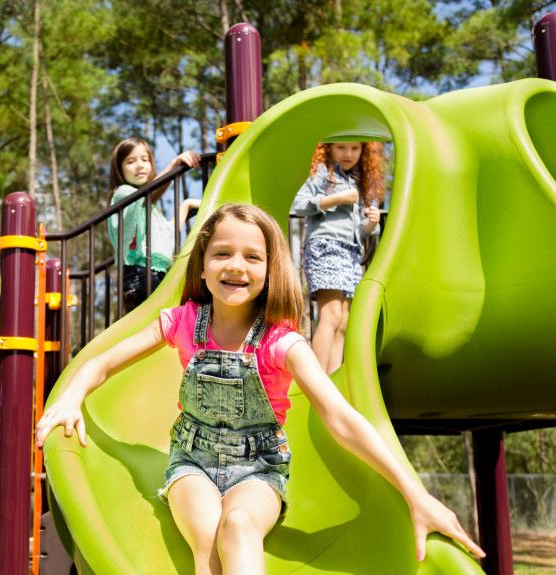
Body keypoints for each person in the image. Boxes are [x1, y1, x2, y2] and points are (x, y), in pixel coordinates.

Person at [36, 204, 483, 574]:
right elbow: (102, 361)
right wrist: (72, 397)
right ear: (203, 265)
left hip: (259, 468)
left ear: (271, 271)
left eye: (253, 257)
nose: (236, 266)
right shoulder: (184, 322)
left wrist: (415, 494)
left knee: (241, 525)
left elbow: (341, 418)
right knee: (208, 534)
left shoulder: (281, 342)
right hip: (191, 460)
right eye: (222, 253)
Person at [291, 141, 384, 374]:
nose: (348, 154)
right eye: (341, 148)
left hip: (351, 252)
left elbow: (359, 231)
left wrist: (371, 223)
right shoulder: (324, 173)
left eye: (354, 148)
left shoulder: (357, 181)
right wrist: (337, 198)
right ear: (329, 149)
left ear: (363, 151)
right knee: (330, 315)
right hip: (326, 245)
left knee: (343, 321)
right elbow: (299, 205)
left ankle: (331, 380)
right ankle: (316, 380)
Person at [108, 137, 202, 312]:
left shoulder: (149, 207)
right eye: (131, 161)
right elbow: (149, 193)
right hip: (139, 274)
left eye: (145, 160)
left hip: (154, 273)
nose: (140, 165)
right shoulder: (123, 195)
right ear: (119, 169)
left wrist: (186, 205)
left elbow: (168, 232)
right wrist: (174, 165)